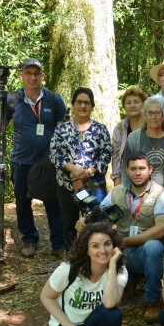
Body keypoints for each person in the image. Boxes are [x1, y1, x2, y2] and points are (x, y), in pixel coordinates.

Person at [15, 222, 127, 326]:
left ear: (114, 247)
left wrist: (112, 267)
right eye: (95, 246)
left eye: (107, 244)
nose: (102, 251)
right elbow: (46, 296)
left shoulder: (119, 271)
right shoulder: (69, 269)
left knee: (112, 313)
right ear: (87, 250)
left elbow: (110, 303)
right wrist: (67, 324)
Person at [0, 58, 67, 258]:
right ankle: (29, 240)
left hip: (48, 162)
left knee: (54, 203)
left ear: (42, 76)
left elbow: (63, 129)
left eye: (36, 73)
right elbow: (2, 124)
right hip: (21, 161)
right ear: (21, 76)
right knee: (22, 203)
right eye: (28, 73)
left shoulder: (54, 99)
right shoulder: (12, 100)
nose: (32, 77)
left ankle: (58, 245)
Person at [99, 152, 164, 324]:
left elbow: (161, 230)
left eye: (142, 168)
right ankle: (110, 290)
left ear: (150, 170)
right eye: (133, 169)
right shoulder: (117, 192)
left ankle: (152, 300)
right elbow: (99, 216)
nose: (138, 173)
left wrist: (125, 242)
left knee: (153, 247)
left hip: (144, 251)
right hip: (120, 251)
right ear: (127, 171)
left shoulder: (161, 194)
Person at [50, 87, 112, 247]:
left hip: (93, 185)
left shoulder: (101, 130)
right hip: (67, 185)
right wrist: (71, 168)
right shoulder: (61, 129)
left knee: (94, 221)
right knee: (69, 223)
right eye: (79, 102)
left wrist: (89, 171)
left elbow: (106, 154)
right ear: (73, 104)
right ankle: (71, 261)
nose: (83, 106)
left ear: (92, 106)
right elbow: (54, 153)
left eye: (87, 103)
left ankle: (95, 258)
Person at [120, 96, 164, 189]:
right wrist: (126, 190)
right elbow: (126, 166)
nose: (153, 117)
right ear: (144, 115)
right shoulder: (133, 138)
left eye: (157, 113)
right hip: (139, 193)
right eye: (149, 113)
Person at [111, 86, 148, 186]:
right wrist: (117, 180)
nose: (132, 105)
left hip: (149, 176)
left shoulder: (151, 125)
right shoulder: (120, 128)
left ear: (144, 105)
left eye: (136, 102)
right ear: (124, 107)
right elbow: (116, 156)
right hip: (127, 176)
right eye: (128, 103)